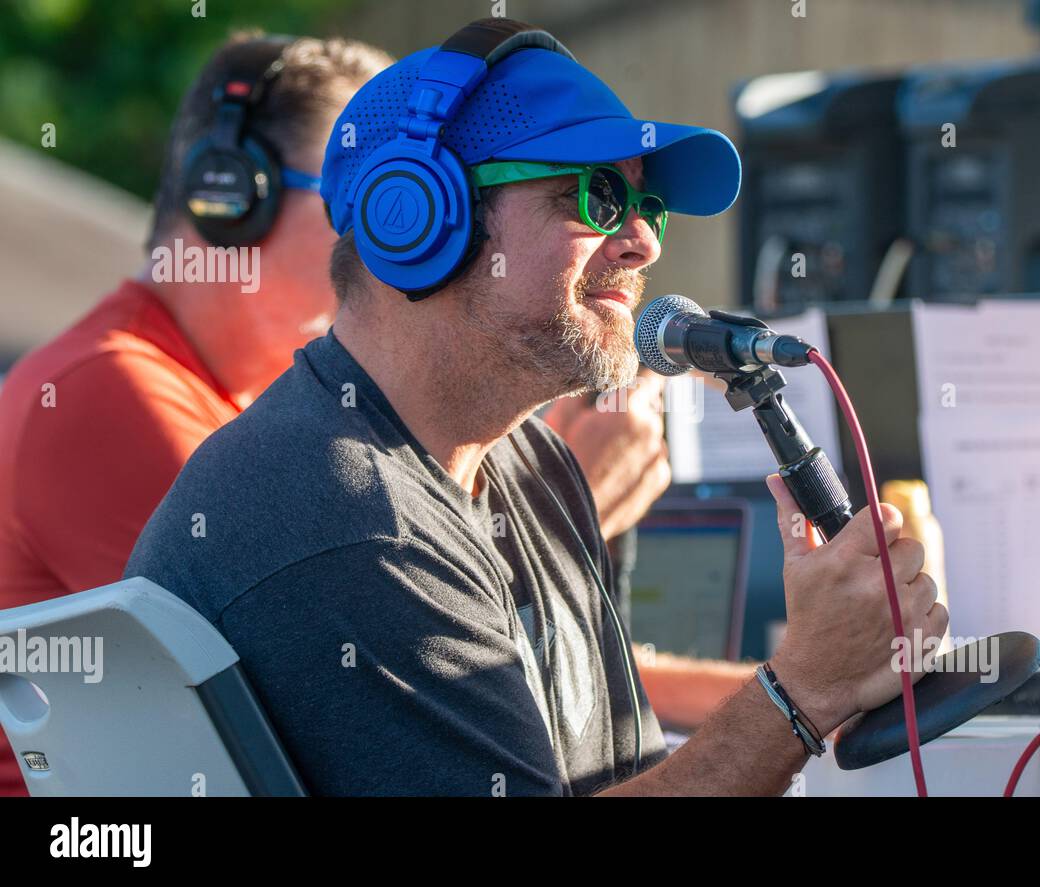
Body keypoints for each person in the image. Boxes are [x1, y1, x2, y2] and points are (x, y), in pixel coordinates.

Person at [125, 18, 946, 795]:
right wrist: (798, 692)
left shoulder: (528, 461)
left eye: (646, 205)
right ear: (418, 217)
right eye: (593, 197)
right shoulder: (344, 514)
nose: (646, 240)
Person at [0, 33, 393, 797]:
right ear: (230, 195)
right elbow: (354, 700)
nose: (394, 243)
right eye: (362, 199)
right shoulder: (112, 392)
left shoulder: (233, 400)